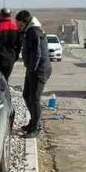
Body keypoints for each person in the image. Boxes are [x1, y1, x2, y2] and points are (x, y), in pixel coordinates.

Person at [16, 10, 52, 138]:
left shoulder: (34, 32)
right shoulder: (29, 31)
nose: (18, 27)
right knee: (26, 95)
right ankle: (33, 122)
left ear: (26, 23)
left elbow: (37, 53)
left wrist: (31, 69)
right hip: (33, 69)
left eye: (19, 25)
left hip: (39, 70)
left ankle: (36, 128)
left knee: (35, 99)